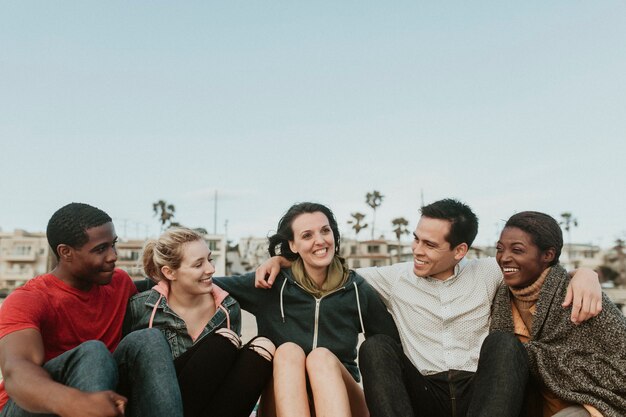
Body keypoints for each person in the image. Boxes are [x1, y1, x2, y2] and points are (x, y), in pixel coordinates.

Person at [257, 198, 602, 417]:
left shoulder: (488, 271)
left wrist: (585, 273)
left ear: (460, 250)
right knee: (376, 347)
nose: (417, 250)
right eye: (415, 239)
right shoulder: (393, 277)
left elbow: (538, 268)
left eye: (429, 244)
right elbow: (326, 266)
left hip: (479, 394)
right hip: (424, 393)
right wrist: (282, 261)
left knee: (503, 343)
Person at [213, 202, 400, 417]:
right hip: (281, 401)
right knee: (287, 351)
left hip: (341, 401)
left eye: (325, 231)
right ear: (293, 245)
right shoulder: (270, 283)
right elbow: (205, 283)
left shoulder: (357, 290)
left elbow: (390, 347)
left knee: (320, 357)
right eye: (307, 235)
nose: (320, 241)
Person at [0, 202, 183, 417]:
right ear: (65, 252)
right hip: (32, 407)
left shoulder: (120, 284)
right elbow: (16, 371)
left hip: (103, 396)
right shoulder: (29, 299)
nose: (113, 255)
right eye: (100, 249)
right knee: (93, 352)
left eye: (113, 244)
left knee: (149, 339)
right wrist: (75, 402)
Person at [123, 227, 275, 417]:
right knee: (224, 340)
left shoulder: (228, 309)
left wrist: (279, 259)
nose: (211, 269)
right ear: (169, 272)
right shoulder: (141, 307)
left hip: (209, 407)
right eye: (198, 265)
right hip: (156, 406)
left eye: (209, 260)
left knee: (263, 348)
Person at [490, 211, 626, 417]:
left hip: (586, 406)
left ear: (548, 255)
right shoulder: (498, 292)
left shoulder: (580, 295)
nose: (504, 257)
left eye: (517, 250)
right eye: (499, 249)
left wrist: (535, 357)